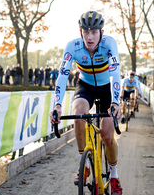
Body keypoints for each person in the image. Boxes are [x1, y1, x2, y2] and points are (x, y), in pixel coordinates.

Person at [49, 11, 122, 194]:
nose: (90, 37)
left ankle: (113, 175)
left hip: (106, 88)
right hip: (86, 86)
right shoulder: (72, 47)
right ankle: (85, 164)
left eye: (94, 32)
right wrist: (57, 106)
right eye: (86, 32)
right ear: (80, 31)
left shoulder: (109, 44)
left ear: (101, 32)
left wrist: (115, 103)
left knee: (107, 136)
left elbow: (115, 75)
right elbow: (63, 76)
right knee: (78, 114)